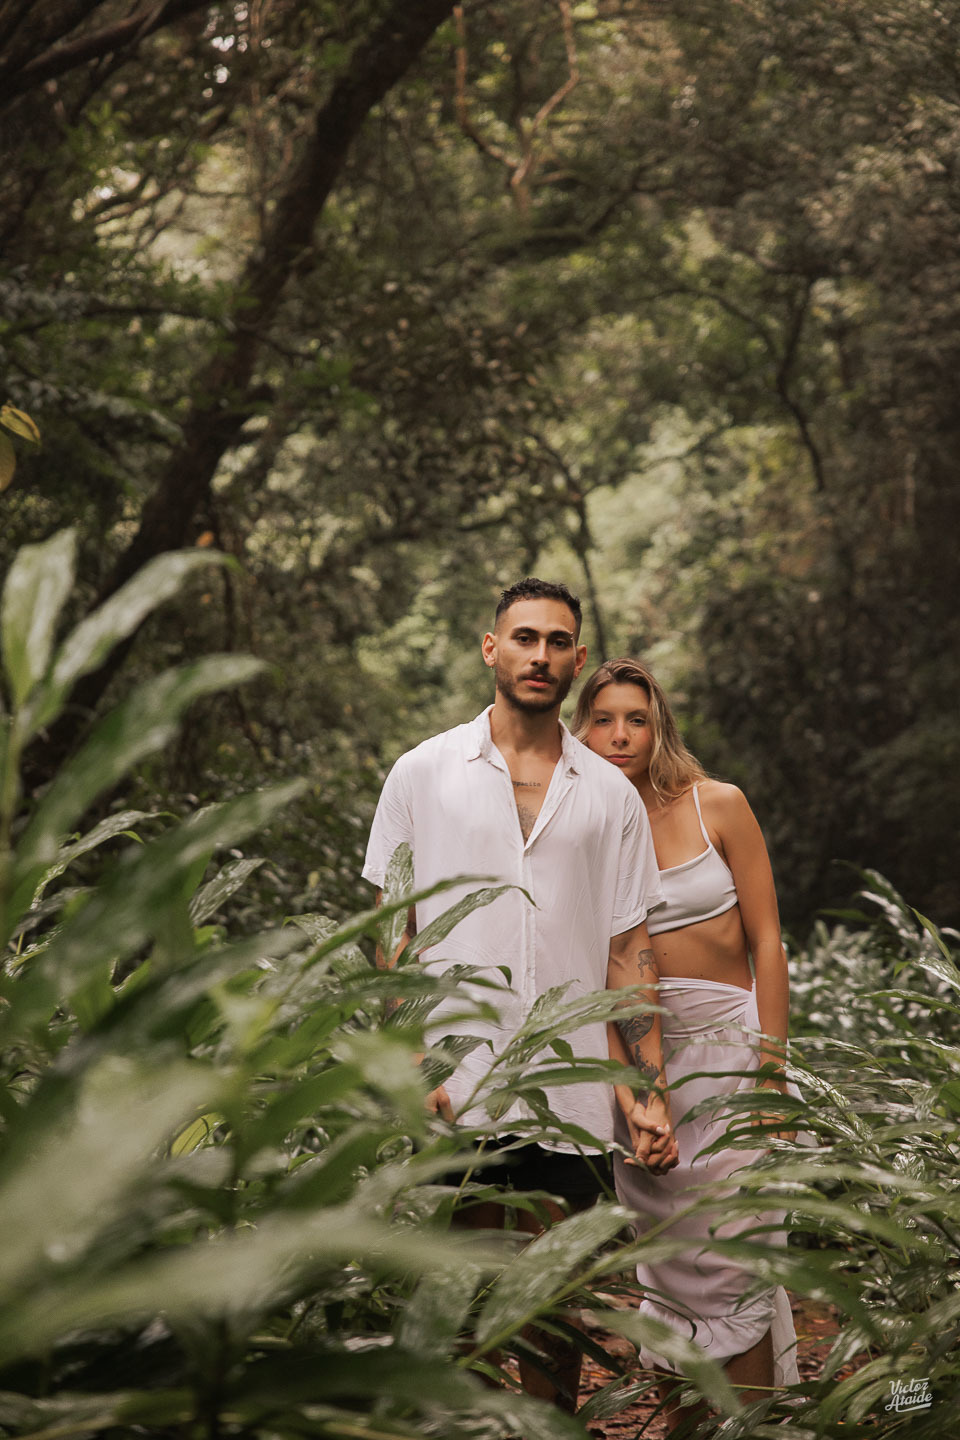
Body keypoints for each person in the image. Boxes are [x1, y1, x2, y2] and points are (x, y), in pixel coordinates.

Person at [362, 579, 677, 1412]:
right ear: (490, 648)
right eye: (526, 637)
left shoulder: (610, 796)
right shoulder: (421, 773)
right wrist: (409, 1053)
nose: (542, 655)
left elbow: (627, 951)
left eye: (558, 641)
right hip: (455, 1082)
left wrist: (646, 1091)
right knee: (455, 1304)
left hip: (570, 1090)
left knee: (551, 1305)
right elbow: (394, 929)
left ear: (577, 658)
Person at [573, 657, 799, 1428]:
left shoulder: (719, 806)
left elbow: (769, 941)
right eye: (602, 719)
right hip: (645, 1068)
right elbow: (598, 977)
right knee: (667, 1268)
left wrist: (774, 1072)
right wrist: (633, 1093)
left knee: (739, 1262)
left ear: (660, 724)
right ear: (581, 729)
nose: (619, 735)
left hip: (734, 1061)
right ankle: (686, 1425)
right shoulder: (588, 831)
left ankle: (755, 1424)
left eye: (635, 718)